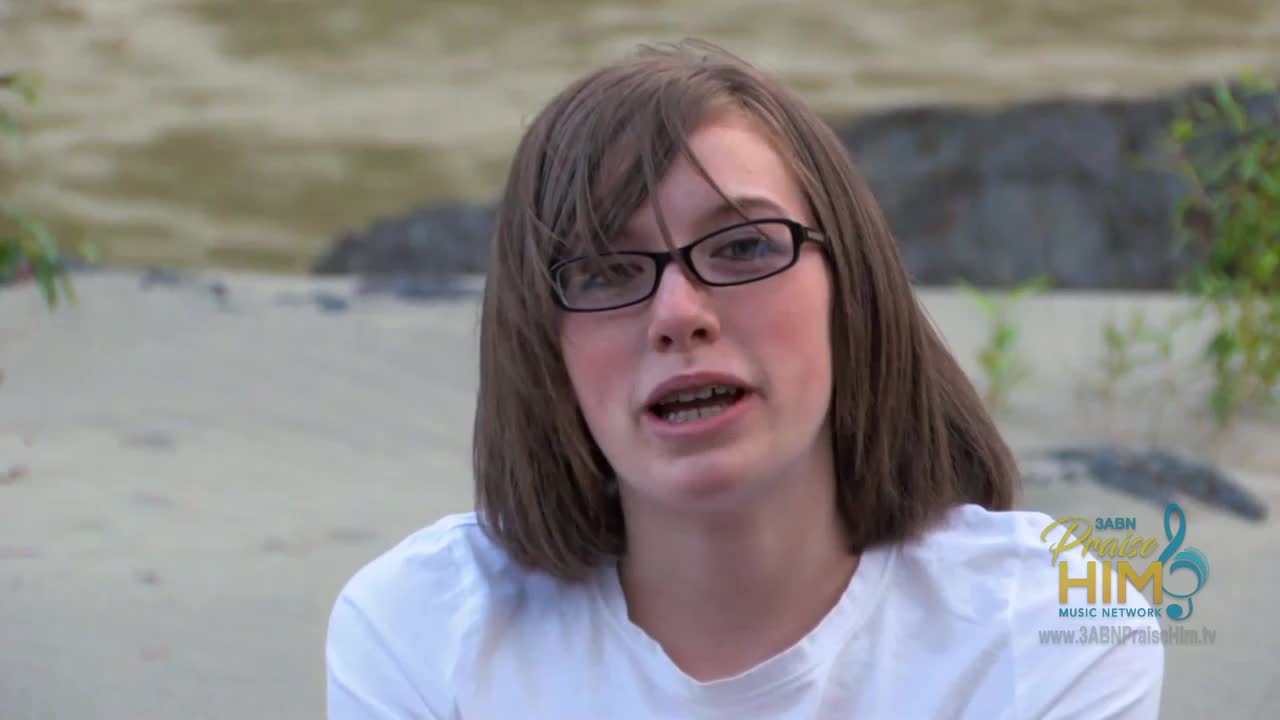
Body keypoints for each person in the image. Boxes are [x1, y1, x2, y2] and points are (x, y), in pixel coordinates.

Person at [325, 39, 1164, 719]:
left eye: (743, 248)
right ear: (542, 344)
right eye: (608, 271)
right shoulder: (420, 630)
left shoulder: (1053, 628)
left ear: (852, 288)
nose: (677, 312)